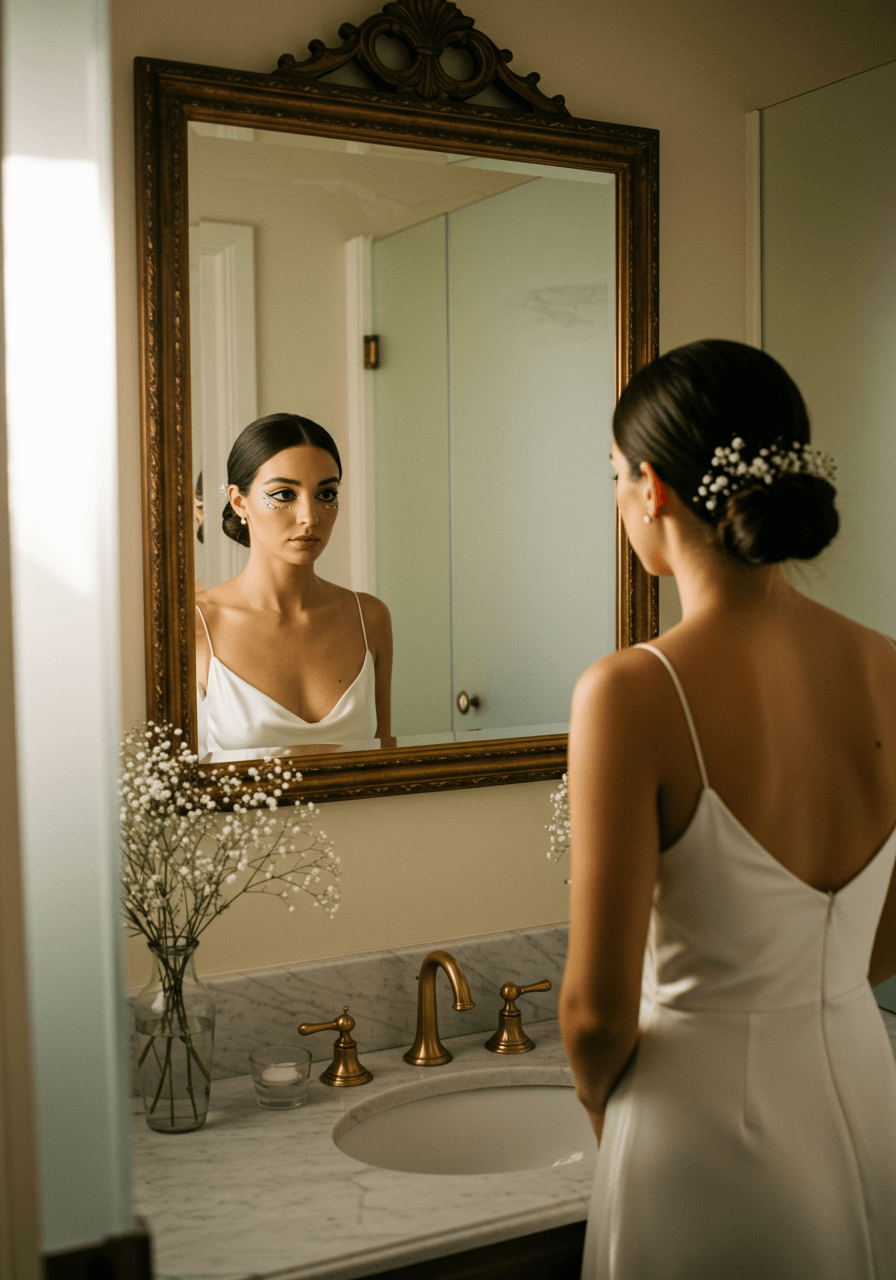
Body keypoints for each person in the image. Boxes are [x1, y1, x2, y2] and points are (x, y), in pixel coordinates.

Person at [559, 340, 896, 1279]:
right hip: (866, 1097)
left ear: (651, 487)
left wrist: (608, 1116)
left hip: (701, 1126)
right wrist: (807, 989)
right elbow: (891, 934)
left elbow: (594, 1013)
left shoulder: (632, 691)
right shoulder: (888, 668)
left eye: (614, 475)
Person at [195, 412, 392, 754]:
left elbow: (386, 759)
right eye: (285, 494)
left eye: (326, 494)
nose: (310, 517)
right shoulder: (197, 625)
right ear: (239, 501)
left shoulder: (369, 618)